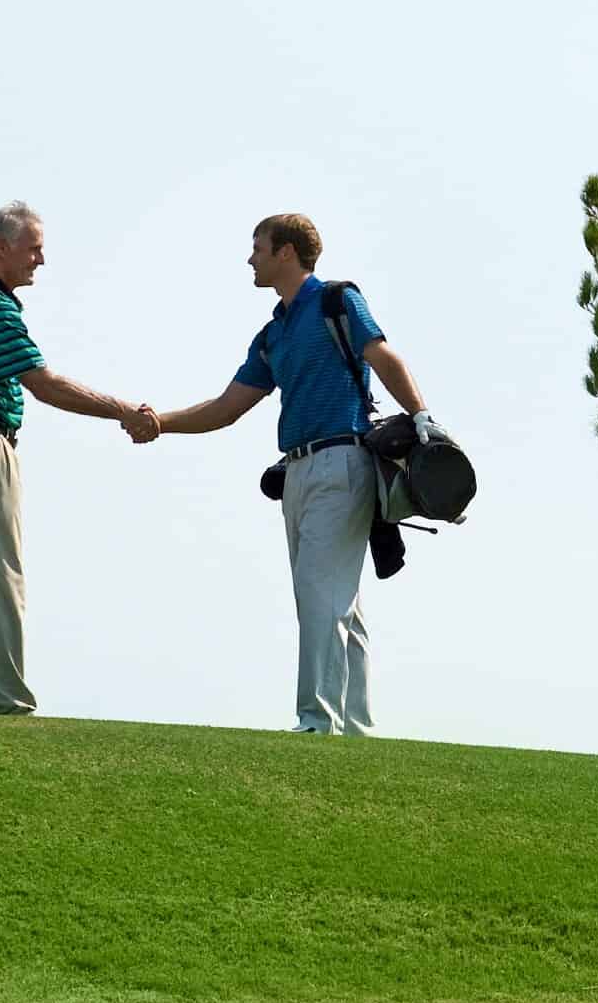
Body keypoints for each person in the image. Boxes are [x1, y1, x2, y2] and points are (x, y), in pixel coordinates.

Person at [142, 213, 442, 735]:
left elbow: (380, 354)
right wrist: (160, 423)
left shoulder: (336, 301)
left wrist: (421, 417)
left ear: (286, 252)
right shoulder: (272, 333)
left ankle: (317, 721)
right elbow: (227, 407)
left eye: (257, 248)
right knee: (335, 599)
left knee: (321, 593)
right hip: (297, 472)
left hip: (342, 460)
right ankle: (353, 725)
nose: (250, 259)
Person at [0, 202, 159, 716]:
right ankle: (9, 703)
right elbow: (44, 384)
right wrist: (123, 410)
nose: (40, 259)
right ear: (2, 248)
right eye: (33, 248)